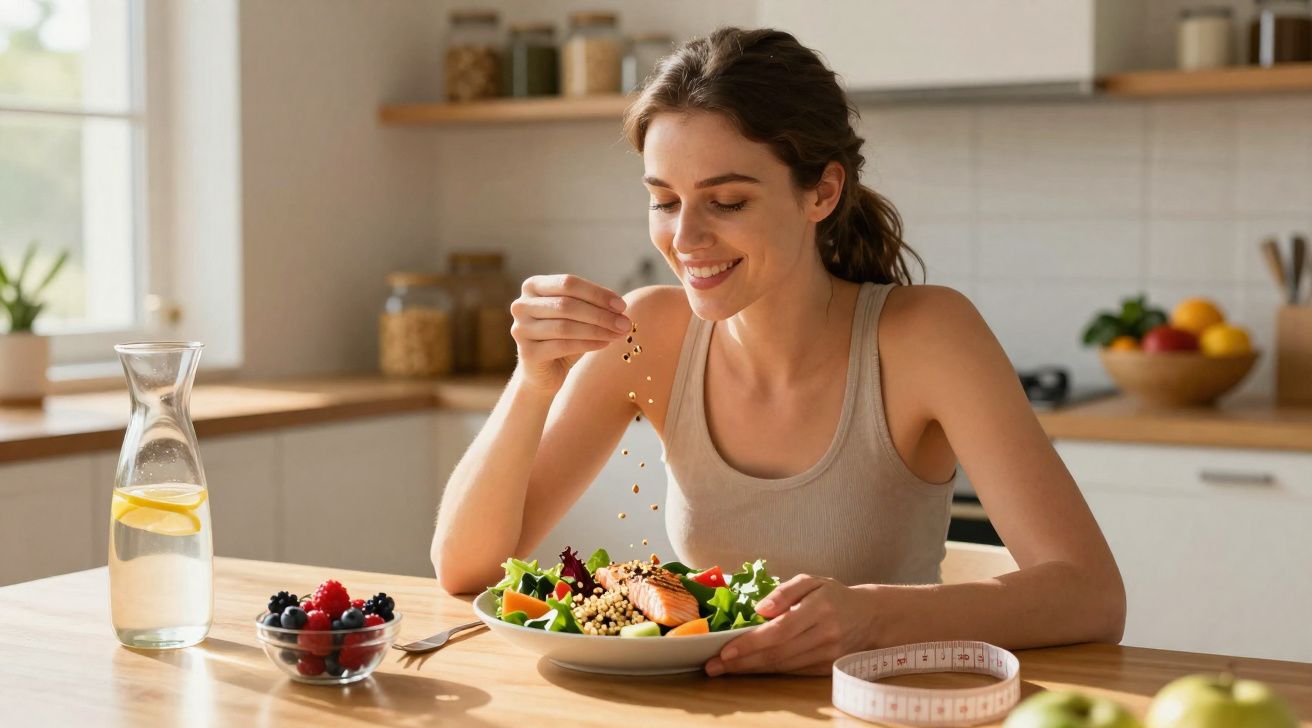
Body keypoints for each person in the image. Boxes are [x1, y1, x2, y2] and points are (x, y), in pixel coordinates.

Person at [431, 27, 1125, 677]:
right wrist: (531, 383)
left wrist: (873, 616)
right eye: (664, 201)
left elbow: (1091, 596)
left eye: (726, 202)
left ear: (822, 191)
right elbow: (465, 568)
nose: (686, 239)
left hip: (884, 708)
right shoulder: (652, 332)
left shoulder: (926, 335)